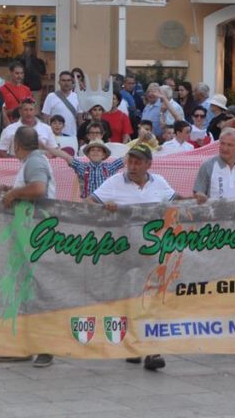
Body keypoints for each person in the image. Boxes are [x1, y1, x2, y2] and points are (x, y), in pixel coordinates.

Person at [90, 144, 178, 372]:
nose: (133, 166)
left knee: (151, 300)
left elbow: (179, 201)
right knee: (128, 299)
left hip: (153, 254)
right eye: (130, 161)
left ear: (149, 164)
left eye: (138, 162)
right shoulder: (115, 182)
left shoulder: (159, 182)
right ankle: (133, 344)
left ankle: (152, 350)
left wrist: (197, 199)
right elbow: (89, 204)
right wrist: (104, 209)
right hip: (123, 253)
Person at [0, 125, 57, 369]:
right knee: (24, 290)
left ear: (16, 144)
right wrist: (9, 190)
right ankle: (25, 346)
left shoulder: (35, 162)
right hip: (28, 232)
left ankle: (45, 347)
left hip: (36, 233)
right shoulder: (32, 161)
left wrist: (14, 193)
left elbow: (38, 189)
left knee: (36, 291)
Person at [192, 128, 235, 201]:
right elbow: (198, 193)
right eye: (222, 143)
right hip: (214, 211)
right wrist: (199, 195)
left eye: (230, 145)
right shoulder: (208, 165)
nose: (225, 148)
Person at [42, 71, 81, 137]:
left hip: (71, 135)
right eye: (63, 80)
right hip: (54, 136)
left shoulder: (77, 97)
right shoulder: (51, 96)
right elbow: (45, 117)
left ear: (72, 82)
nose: (66, 83)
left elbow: (80, 119)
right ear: (59, 82)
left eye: (69, 80)